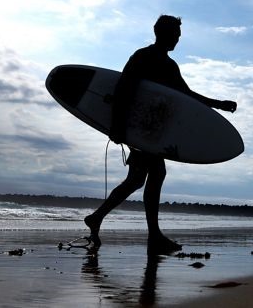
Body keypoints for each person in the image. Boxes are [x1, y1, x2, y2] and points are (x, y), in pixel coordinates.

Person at [84, 15, 237, 253]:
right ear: (162, 33)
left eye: (178, 36)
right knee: (155, 173)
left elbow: (186, 96)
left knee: (137, 179)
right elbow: (123, 89)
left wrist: (218, 104)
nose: (177, 39)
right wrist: (117, 126)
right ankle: (153, 236)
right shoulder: (143, 57)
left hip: (152, 130)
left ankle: (97, 218)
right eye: (175, 35)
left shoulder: (169, 65)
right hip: (139, 128)